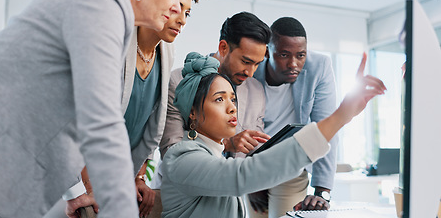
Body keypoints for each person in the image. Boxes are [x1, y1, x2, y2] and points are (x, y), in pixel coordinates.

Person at [0, 0, 195, 217]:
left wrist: (74, 193)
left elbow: (60, 112)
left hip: (16, 179)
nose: (177, 7)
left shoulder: (111, 15)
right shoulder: (100, 7)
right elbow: (101, 123)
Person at [160, 52, 385, 218]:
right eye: (219, 99)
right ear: (192, 111)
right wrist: (339, 117)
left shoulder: (215, 157)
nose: (231, 108)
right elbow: (244, 175)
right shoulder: (182, 158)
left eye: (232, 99)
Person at [62, 0, 209, 217]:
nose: (181, 18)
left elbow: (146, 125)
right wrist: (89, 188)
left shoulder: (166, 53)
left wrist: (138, 177)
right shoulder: (114, 39)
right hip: (75, 177)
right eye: (177, 4)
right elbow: (84, 120)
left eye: (187, 13)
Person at [246, 17, 339, 217]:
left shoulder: (319, 67)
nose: (293, 64)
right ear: (267, 51)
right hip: (251, 164)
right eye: (284, 54)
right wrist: (249, 179)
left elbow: (326, 128)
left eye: (301, 55)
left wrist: (322, 191)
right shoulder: (250, 69)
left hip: (291, 165)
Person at [159, 11, 272, 164]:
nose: (250, 73)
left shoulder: (256, 91)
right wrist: (226, 144)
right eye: (246, 62)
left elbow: (255, 150)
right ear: (223, 47)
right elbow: (171, 151)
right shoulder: (179, 81)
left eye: (257, 64)